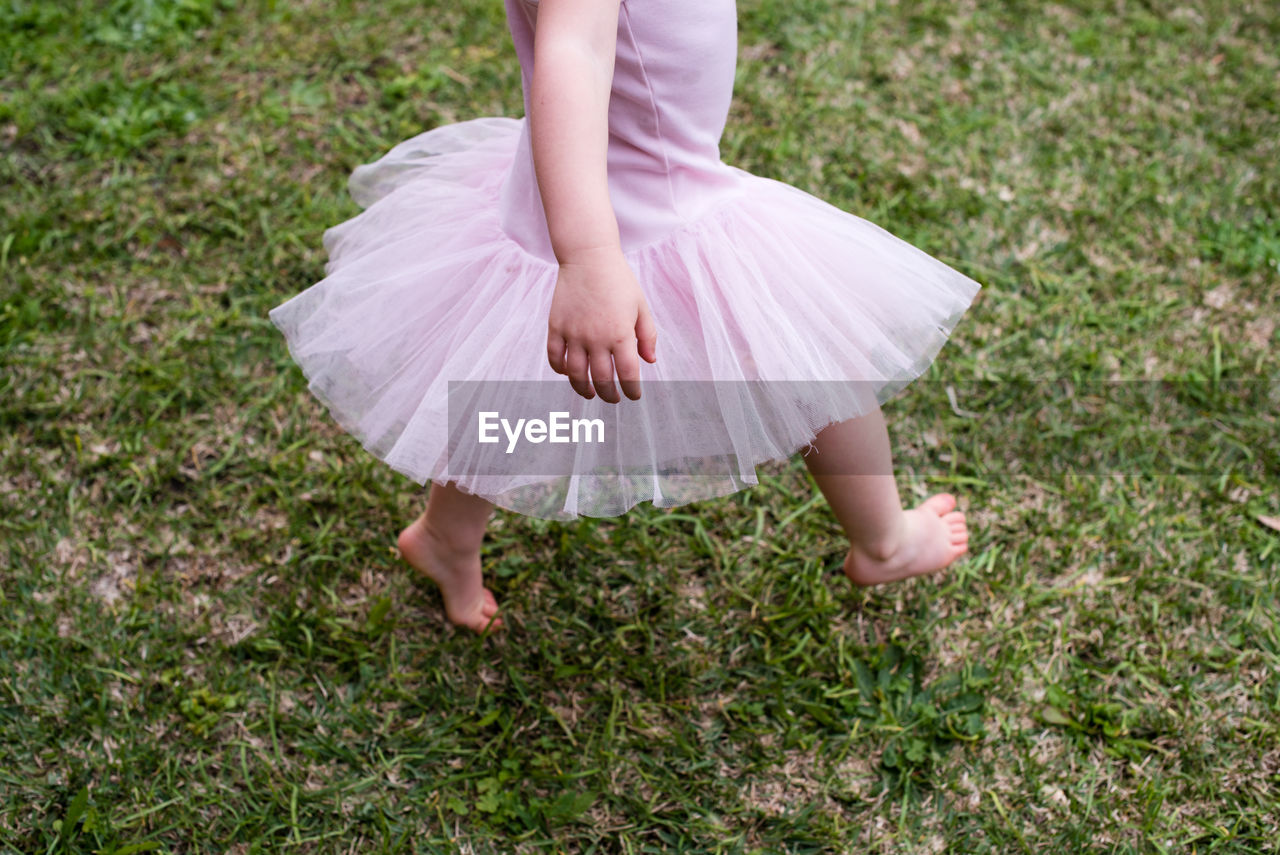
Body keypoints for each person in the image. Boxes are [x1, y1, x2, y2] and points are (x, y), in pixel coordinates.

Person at [269, 0, 981, 633]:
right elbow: (571, 51)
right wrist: (589, 256)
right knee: (815, 363)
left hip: (588, 191)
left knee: (509, 378)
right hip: (636, 217)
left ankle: (446, 533)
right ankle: (885, 539)